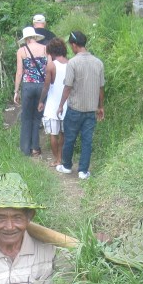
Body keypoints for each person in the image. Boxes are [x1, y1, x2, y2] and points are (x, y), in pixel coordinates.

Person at [56, 30, 104, 180]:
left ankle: (67, 166)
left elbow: (68, 86)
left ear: (74, 45)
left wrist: (61, 105)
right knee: (87, 141)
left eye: (71, 45)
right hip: (91, 109)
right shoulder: (98, 62)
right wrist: (101, 107)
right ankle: (83, 171)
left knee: (70, 138)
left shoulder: (73, 62)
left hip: (75, 109)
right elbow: (101, 87)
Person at [14, 26, 48, 157]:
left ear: (26, 39)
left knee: (26, 117)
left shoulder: (21, 51)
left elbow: (19, 72)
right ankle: (35, 148)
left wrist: (16, 91)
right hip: (41, 86)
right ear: (34, 37)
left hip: (28, 86)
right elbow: (48, 68)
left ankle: (25, 149)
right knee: (37, 117)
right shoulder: (45, 49)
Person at [37, 37, 69, 168]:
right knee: (64, 134)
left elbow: (46, 86)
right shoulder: (71, 63)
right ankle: (62, 157)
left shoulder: (51, 66)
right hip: (67, 105)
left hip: (53, 104)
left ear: (51, 51)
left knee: (53, 134)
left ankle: (57, 159)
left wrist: (41, 101)